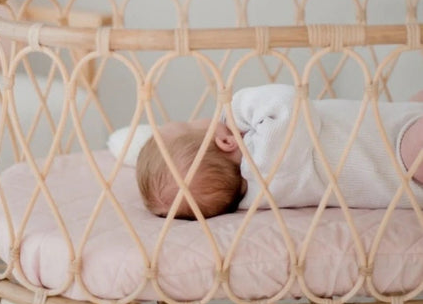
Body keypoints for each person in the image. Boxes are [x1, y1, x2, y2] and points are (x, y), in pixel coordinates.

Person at [136, 84, 423, 219]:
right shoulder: (266, 155)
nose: (199, 118)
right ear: (225, 142)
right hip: (400, 151)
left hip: (397, 136)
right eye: (189, 124)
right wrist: (233, 110)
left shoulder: (255, 193)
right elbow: (290, 102)